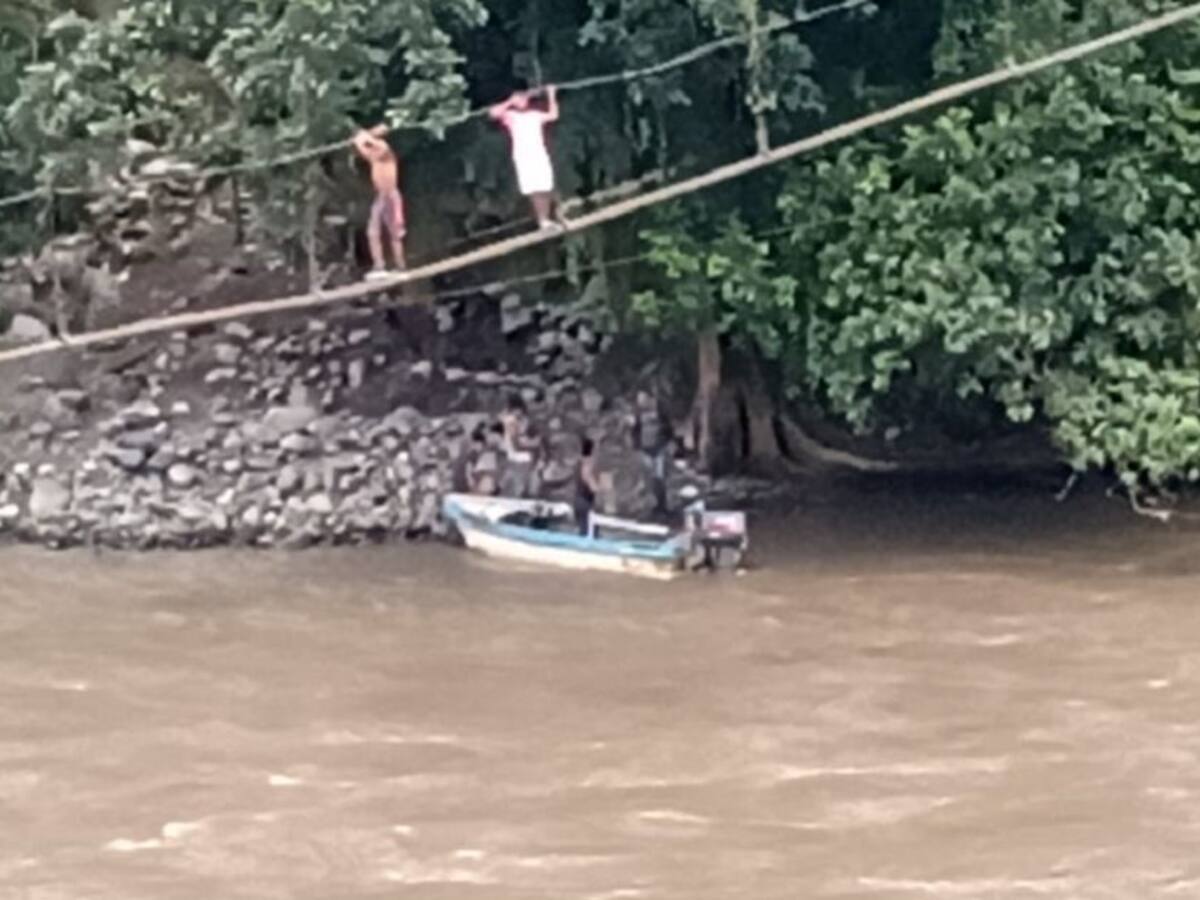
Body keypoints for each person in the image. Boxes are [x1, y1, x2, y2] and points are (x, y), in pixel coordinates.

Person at [489, 86, 564, 231]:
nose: (523, 100)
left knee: (546, 186)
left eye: (524, 98)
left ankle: (551, 216)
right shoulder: (510, 116)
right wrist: (510, 101)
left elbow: (553, 115)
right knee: (534, 189)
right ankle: (543, 221)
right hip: (523, 156)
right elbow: (493, 113)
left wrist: (551, 95)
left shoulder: (534, 115)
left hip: (539, 153)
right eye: (521, 98)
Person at [352, 125, 407, 279]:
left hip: (390, 195)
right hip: (381, 196)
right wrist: (361, 138)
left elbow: (367, 143)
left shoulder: (384, 148)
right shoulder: (374, 154)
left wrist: (363, 136)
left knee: (395, 234)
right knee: (373, 232)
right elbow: (363, 149)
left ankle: (400, 268)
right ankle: (379, 266)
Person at [632, 390, 672, 517]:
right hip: (645, 450)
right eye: (639, 400)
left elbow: (668, 428)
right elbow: (636, 430)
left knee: (659, 478)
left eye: (643, 399)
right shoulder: (638, 415)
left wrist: (666, 443)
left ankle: (662, 506)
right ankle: (650, 506)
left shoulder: (660, 411)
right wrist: (637, 447)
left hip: (659, 449)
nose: (640, 402)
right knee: (648, 479)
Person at [574, 436, 600, 536]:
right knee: (588, 529)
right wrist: (598, 489)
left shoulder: (580, 461)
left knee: (586, 528)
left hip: (581, 499)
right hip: (585, 501)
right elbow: (587, 477)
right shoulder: (588, 462)